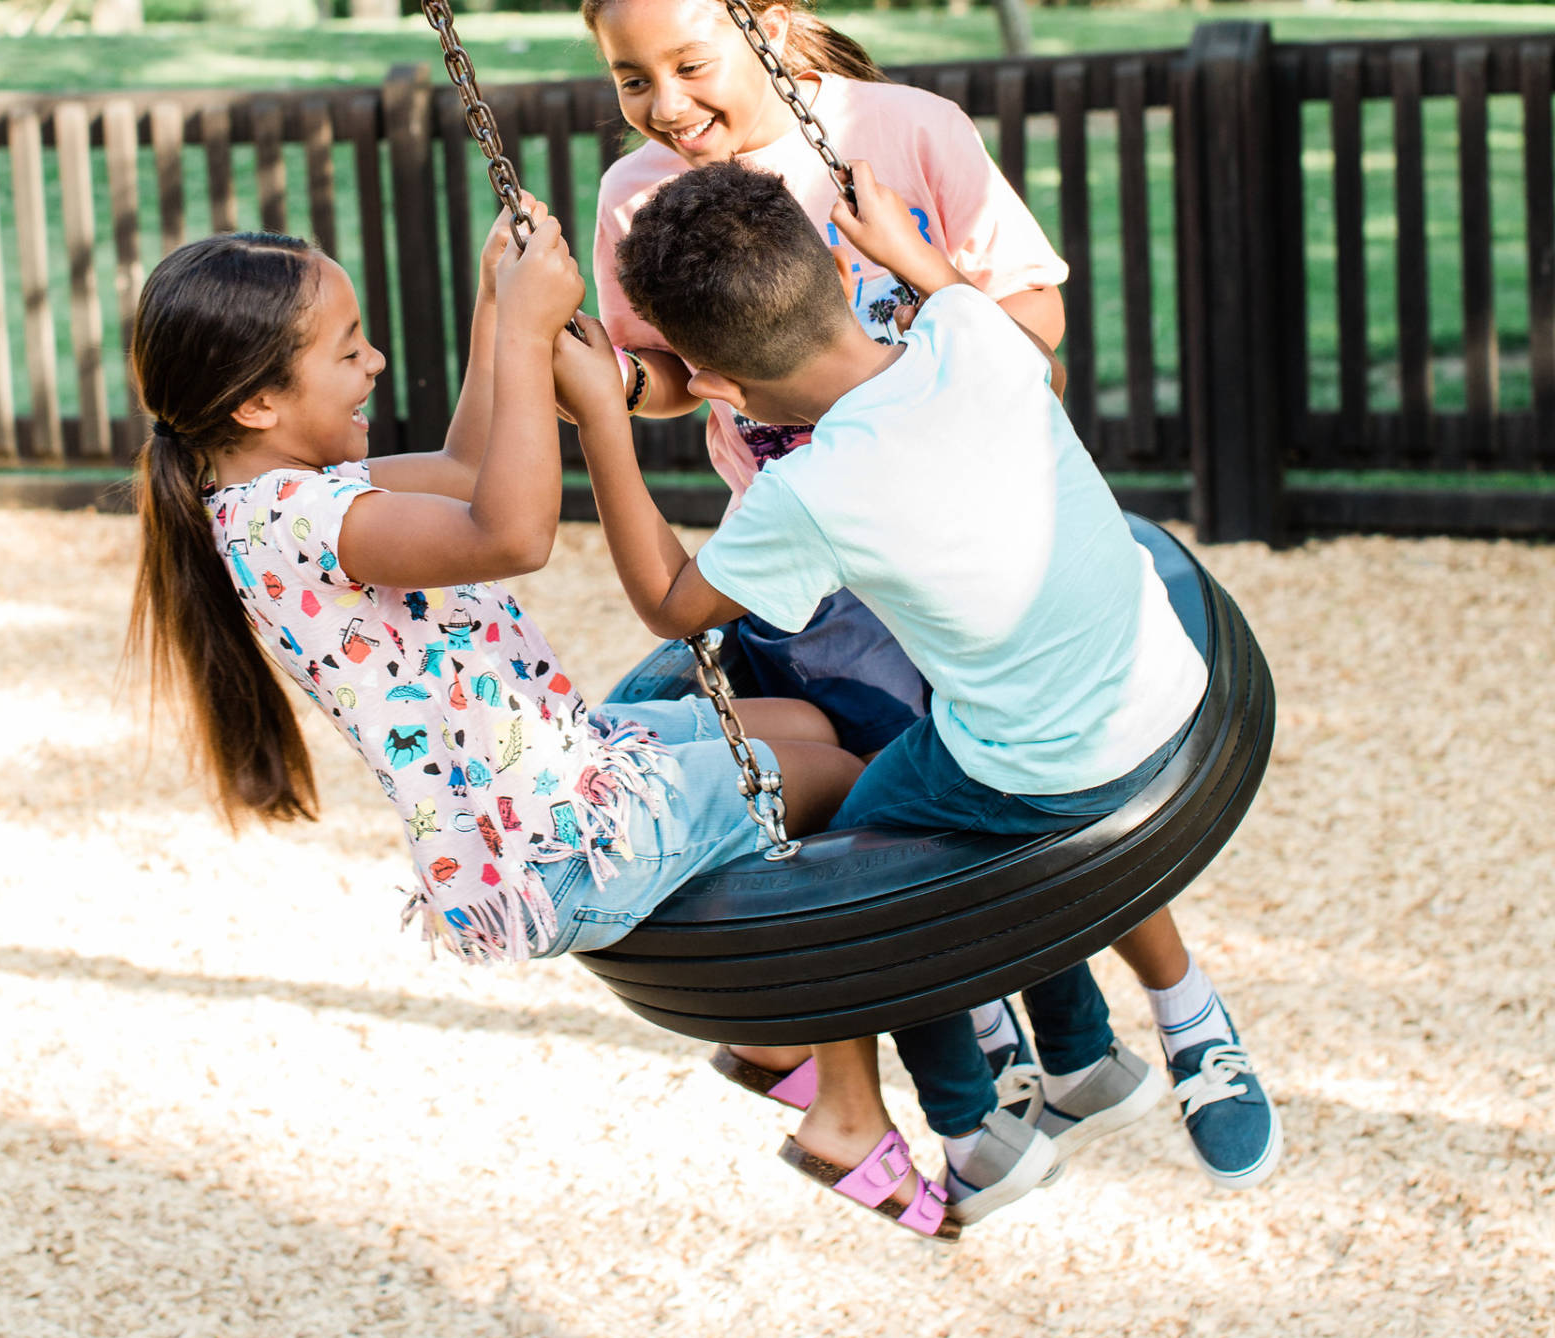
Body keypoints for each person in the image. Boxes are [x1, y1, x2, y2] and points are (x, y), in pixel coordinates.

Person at [124, 204, 1062, 1237]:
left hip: (563, 782)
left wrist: (497, 310)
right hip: (566, 844)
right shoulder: (307, 520)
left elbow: (468, 470)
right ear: (258, 401)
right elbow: (512, 528)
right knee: (843, 788)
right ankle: (842, 1100)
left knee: (801, 724)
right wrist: (531, 339)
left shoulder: (269, 499)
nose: (377, 362)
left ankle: (775, 1047)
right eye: (350, 352)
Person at [572, 154, 1282, 1194]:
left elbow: (672, 605)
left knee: (864, 858)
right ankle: (1079, 1056)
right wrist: (906, 249)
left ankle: (973, 1130)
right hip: (1168, 685)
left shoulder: (811, 487)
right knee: (939, 762)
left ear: (717, 385)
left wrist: (599, 419)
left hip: (1051, 767)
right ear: (830, 269)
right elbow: (956, 297)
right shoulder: (970, 335)